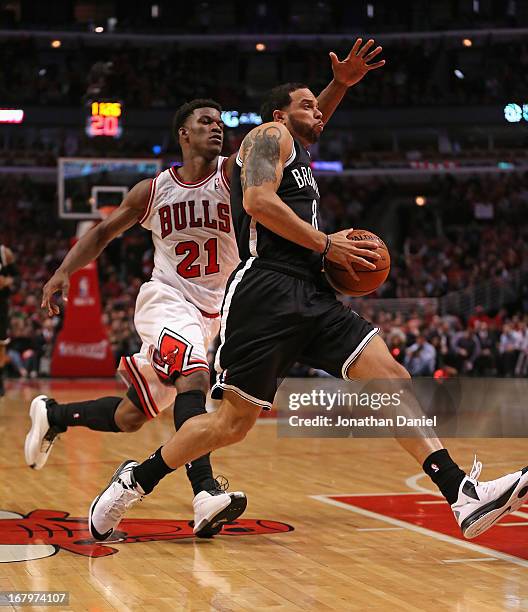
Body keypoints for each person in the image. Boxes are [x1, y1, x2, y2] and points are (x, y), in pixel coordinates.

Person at [89, 80, 528, 543]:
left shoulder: (296, 151)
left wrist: (340, 85)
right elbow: (258, 201)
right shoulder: (265, 137)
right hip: (266, 291)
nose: (319, 113)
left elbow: (311, 122)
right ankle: (133, 482)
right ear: (279, 114)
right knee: (229, 425)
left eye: (321, 107)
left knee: (390, 378)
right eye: (307, 105)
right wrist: (326, 242)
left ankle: (460, 491)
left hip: (313, 292)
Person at [28, 39, 388, 538]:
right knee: (193, 381)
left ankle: (55, 414)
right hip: (168, 300)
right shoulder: (153, 190)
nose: (216, 127)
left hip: (226, 308)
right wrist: (62, 271)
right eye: (205, 122)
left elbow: (298, 130)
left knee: (135, 414)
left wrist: (337, 87)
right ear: (183, 134)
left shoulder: (235, 171)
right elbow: (102, 233)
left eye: (220, 122)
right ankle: (204, 494)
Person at [0, 244, 17, 396]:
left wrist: (7, 281)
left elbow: (16, 278)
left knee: (1, 346)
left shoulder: (5, 253)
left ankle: (0, 383)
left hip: (1, 308)